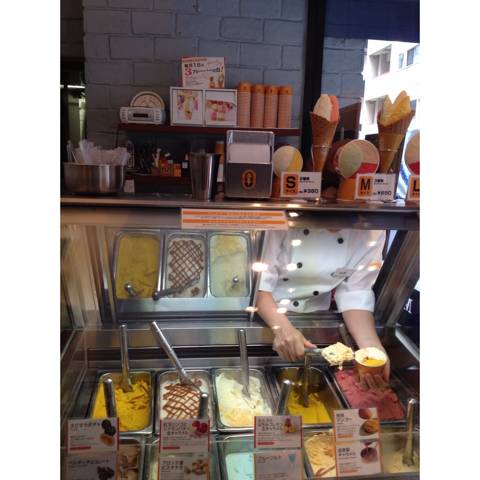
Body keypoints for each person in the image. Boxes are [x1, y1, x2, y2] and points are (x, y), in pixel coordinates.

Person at [256, 227, 390, 382]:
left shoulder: (372, 228)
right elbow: (258, 284)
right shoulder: (281, 220)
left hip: (318, 314)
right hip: (267, 310)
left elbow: (355, 292)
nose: (337, 227)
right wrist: (282, 329)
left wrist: (371, 346)